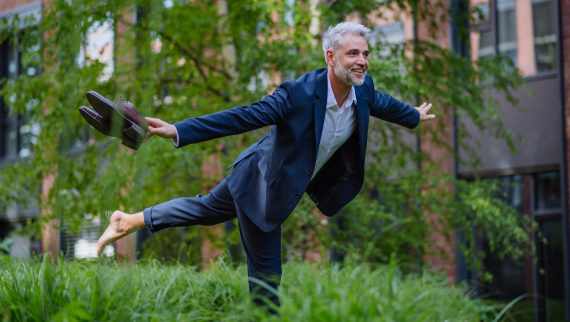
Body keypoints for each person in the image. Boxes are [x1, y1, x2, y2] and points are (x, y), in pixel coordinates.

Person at [96, 21, 436, 309]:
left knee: (204, 210)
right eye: (353, 54)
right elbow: (243, 117)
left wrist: (413, 116)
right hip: (262, 185)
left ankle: (128, 221)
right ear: (330, 57)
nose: (362, 61)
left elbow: (381, 103)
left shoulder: (362, 88)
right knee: (267, 277)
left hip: (253, 168)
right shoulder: (298, 94)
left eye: (365, 54)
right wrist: (178, 130)